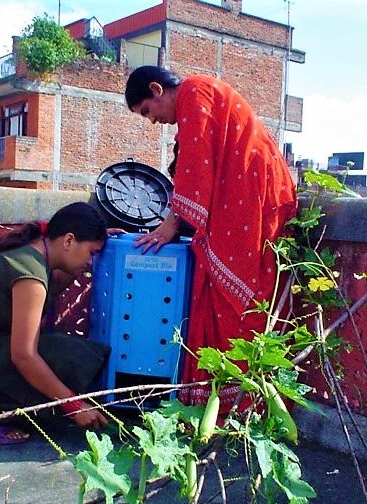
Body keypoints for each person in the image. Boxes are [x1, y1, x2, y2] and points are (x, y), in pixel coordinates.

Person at [124, 66, 298, 409]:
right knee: (221, 300)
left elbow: (196, 165)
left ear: (157, 90)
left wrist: (170, 225)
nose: (152, 121)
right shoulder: (199, 96)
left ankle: (245, 407)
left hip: (253, 203)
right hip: (243, 204)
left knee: (245, 304)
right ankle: (231, 405)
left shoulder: (193, 92)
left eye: (147, 111)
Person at [0, 203, 112, 444]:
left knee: (68, 351)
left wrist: (104, 240)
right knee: (63, 355)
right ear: (68, 240)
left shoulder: (33, 255)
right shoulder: (30, 273)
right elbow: (23, 356)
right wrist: (73, 404)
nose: (91, 263)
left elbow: (57, 283)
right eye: (91, 253)